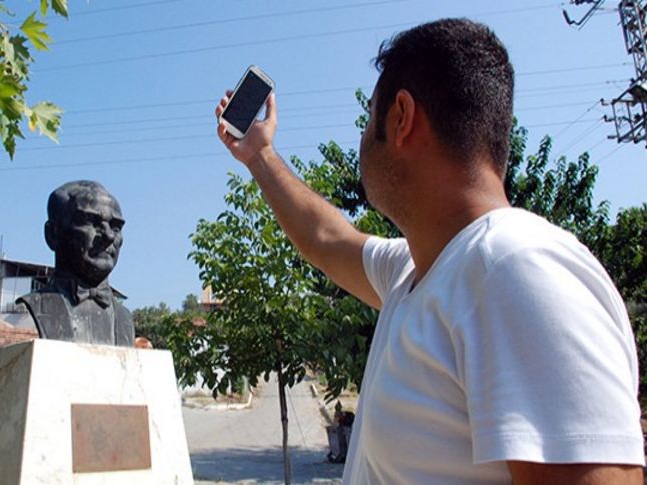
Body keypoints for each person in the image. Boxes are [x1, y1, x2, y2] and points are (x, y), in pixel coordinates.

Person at [215, 18, 643, 484]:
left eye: (368, 118)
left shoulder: (519, 269)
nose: (362, 140)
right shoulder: (419, 270)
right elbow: (326, 237)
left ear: (401, 117)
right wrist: (259, 155)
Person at [17, 180, 135, 347]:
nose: (109, 236)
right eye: (91, 222)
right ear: (52, 234)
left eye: (115, 227)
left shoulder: (125, 319)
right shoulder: (31, 310)